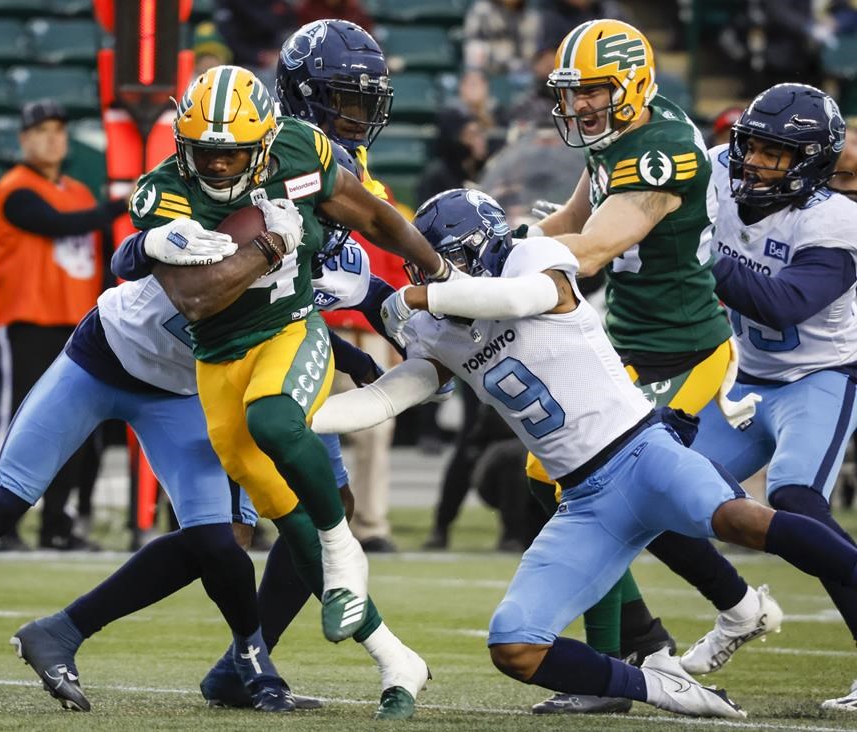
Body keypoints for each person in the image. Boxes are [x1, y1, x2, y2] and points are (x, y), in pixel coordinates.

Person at [317, 186, 857, 719]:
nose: (428, 276)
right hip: (584, 502)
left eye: (442, 262)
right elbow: (388, 396)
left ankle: (761, 601)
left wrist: (419, 298)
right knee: (515, 646)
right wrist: (301, 421)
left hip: (644, 455)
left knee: (743, 520)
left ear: (483, 247)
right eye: (420, 268)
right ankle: (659, 686)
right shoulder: (440, 329)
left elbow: (518, 300)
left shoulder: (531, 256)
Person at [126, 63, 449, 718]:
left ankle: (342, 549)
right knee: (287, 516)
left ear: (266, 142)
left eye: (232, 153)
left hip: (291, 331)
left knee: (275, 421)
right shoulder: (164, 193)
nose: (218, 166)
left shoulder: (300, 151)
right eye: (205, 152)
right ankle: (394, 657)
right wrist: (272, 245)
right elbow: (196, 299)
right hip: (218, 357)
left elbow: (374, 215)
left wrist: (438, 270)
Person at [0, 264, 299, 714]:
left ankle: (252, 660)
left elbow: (307, 327)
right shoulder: (228, 229)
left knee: (219, 542)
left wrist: (344, 359)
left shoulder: (307, 266)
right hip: (99, 361)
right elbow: (128, 258)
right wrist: (158, 244)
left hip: (179, 393)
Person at [519, 19, 778, 714]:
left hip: (683, 349)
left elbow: (593, 249)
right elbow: (572, 219)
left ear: (632, 85)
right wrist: (506, 239)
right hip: (629, 344)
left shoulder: (659, 149)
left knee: (604, 485)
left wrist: (495, 273)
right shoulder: (618, 136)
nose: (579, 105)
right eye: (573, 92)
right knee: (551, 475)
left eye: (594, 91)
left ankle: (636, 650)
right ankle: (663, 634)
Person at [685, 83, 857, 712]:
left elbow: (784, 303)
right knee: (652, 486)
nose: (753, 161)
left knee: (796, 499)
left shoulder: (835, 219)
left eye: (774, 153)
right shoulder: (716, 172)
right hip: (743, 378)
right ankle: (736, 610)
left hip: (820, 375)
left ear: (811, 162)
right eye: (750, 145)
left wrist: (699, 252)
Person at [276, 19, 409, 552]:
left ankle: (368, 527)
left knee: (365, 437)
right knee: (281, 430)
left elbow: (383, 271)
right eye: (345, 102)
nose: (358, 117)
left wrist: (402, 327)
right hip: (281, 327)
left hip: (343, 324)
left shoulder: (370, 186)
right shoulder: (278, 169)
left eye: (364, 103)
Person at [0, 99, 126, 550]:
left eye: (58, 131)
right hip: (28, 321)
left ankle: (56, 525)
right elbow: (54, 224)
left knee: (73, 429)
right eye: (41, 131)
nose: (52, 139)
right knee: (19, 423)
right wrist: (119, 205)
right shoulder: (15, 188)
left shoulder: (80, 192)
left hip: (76, 326)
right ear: (23, 139)